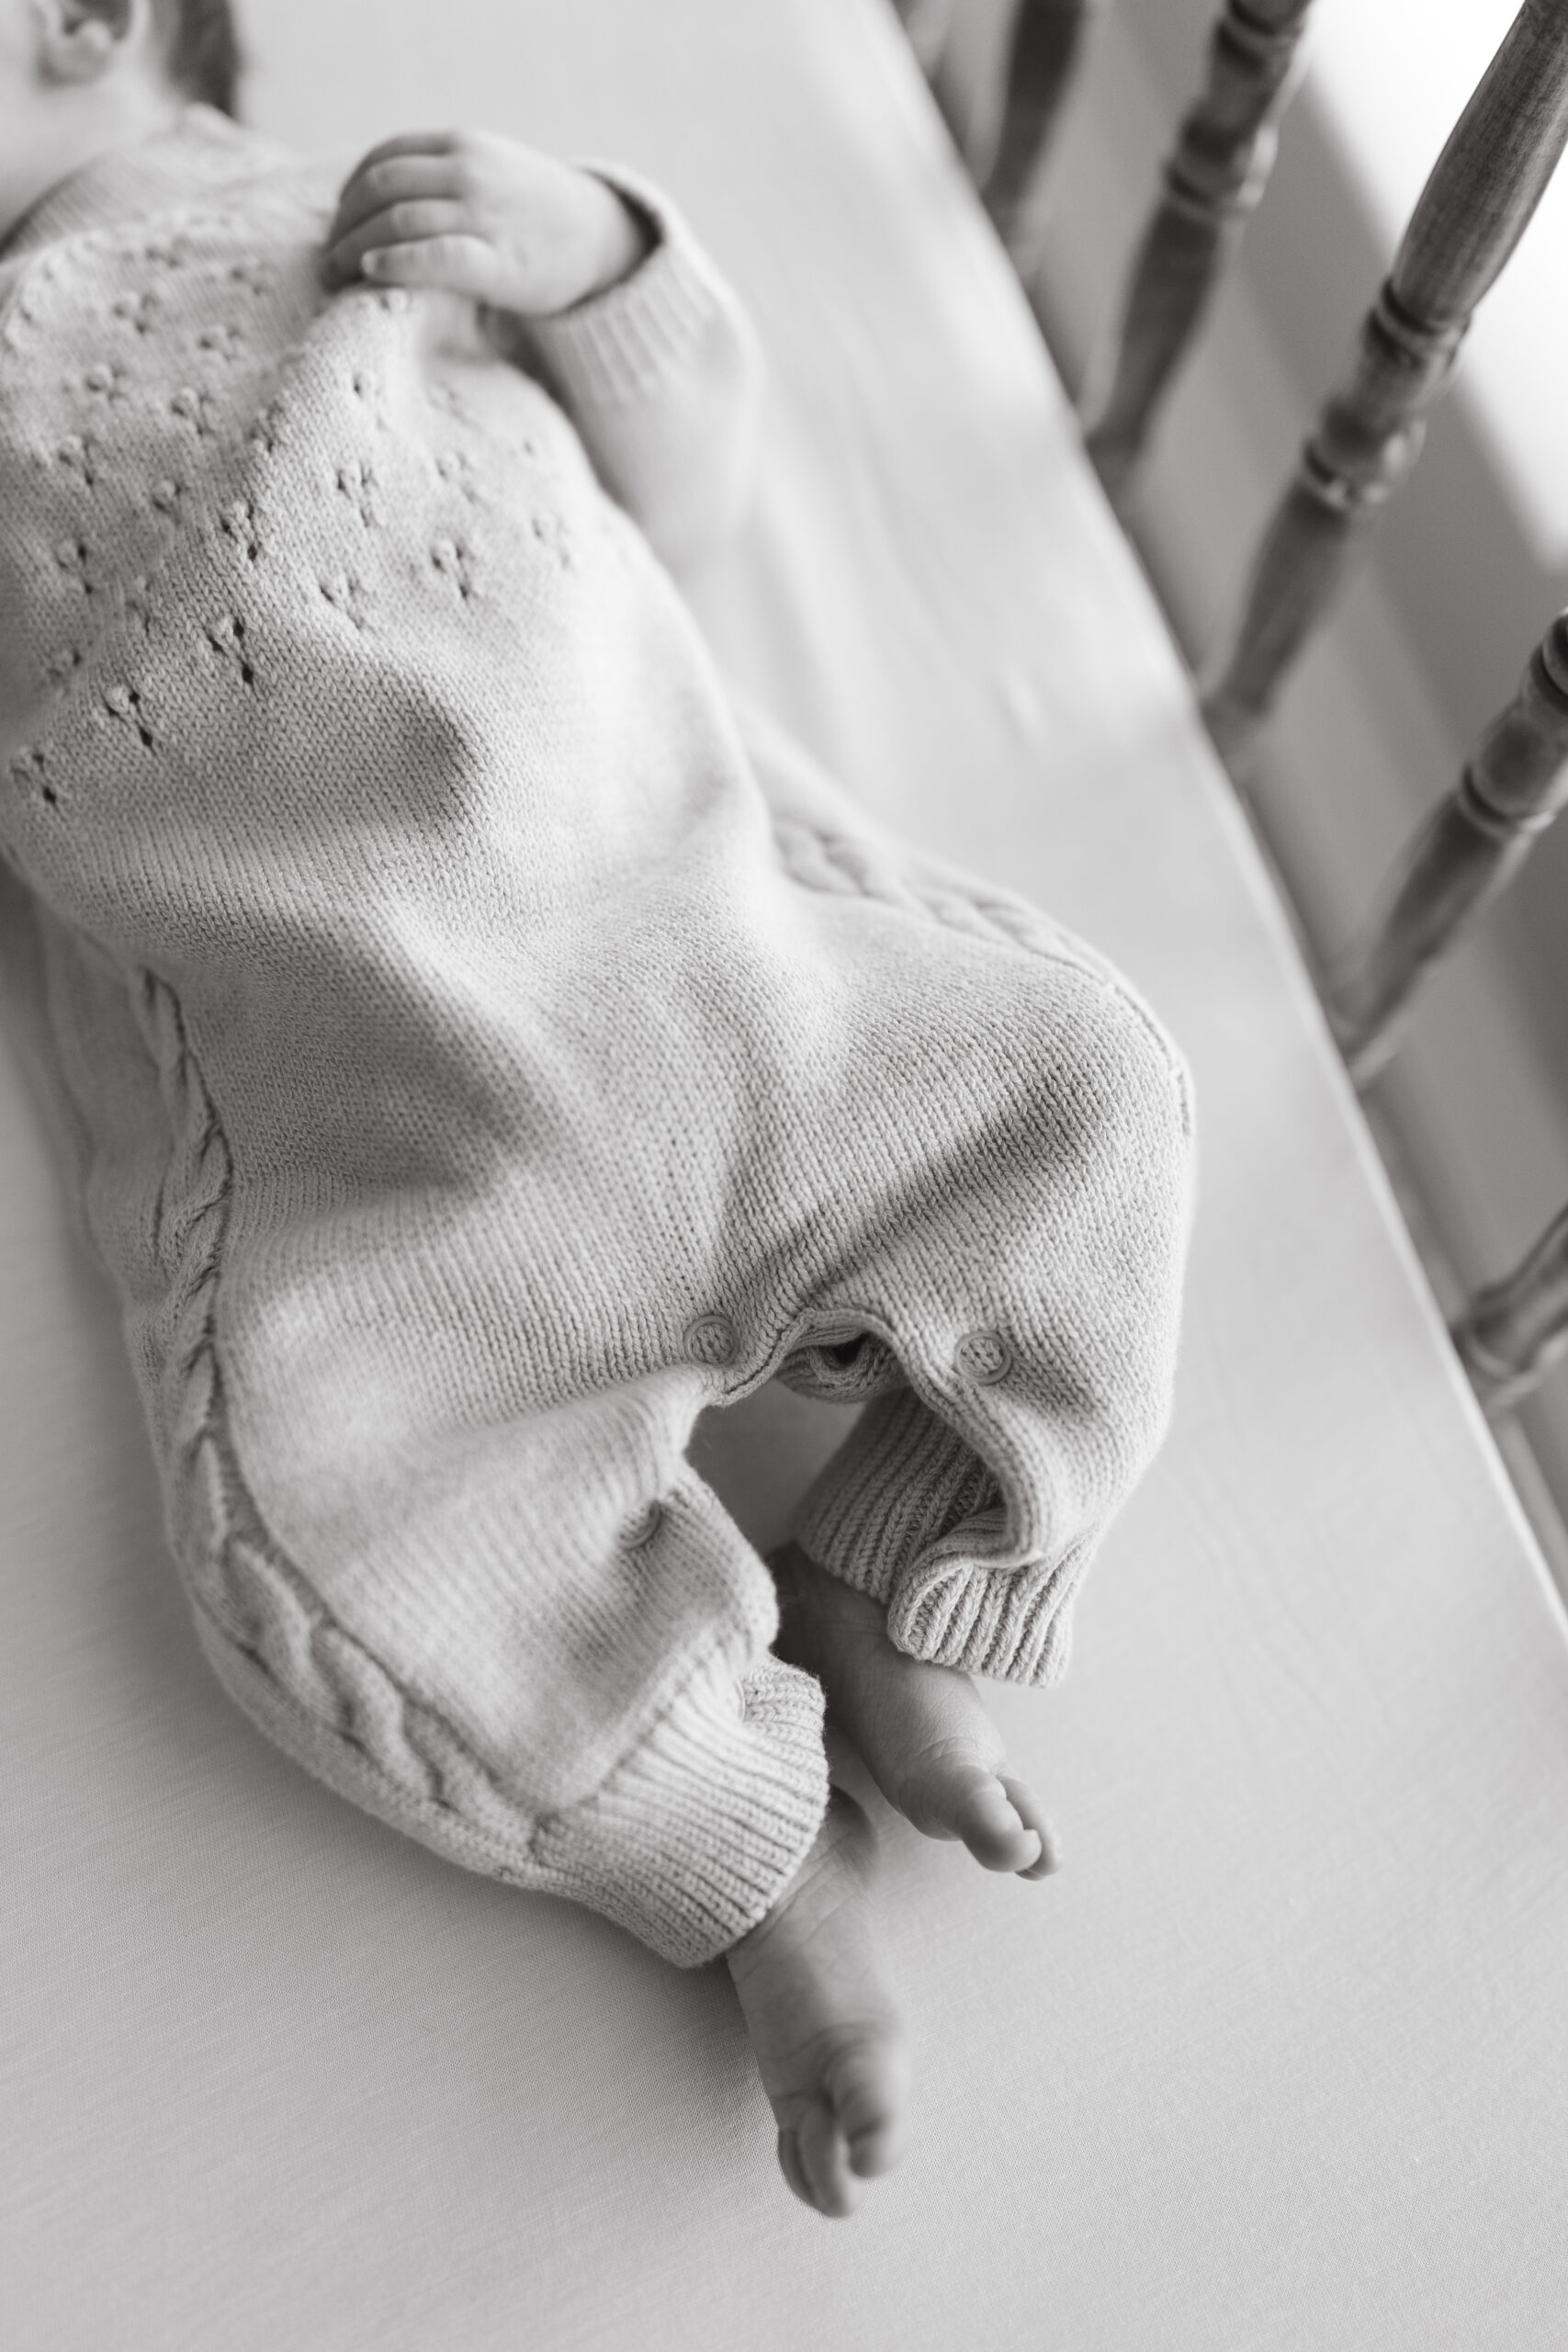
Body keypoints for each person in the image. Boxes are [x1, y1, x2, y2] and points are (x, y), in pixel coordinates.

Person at [0, 0, 1194, 2219]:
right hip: (368, 1103)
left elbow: (695, 479)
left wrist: (606, 262)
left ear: (88, 27)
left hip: (701, 936)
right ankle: (744, 1865)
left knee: (1082, 1089)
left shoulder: (368, 222)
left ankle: (895, 1574)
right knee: (328, 1545)